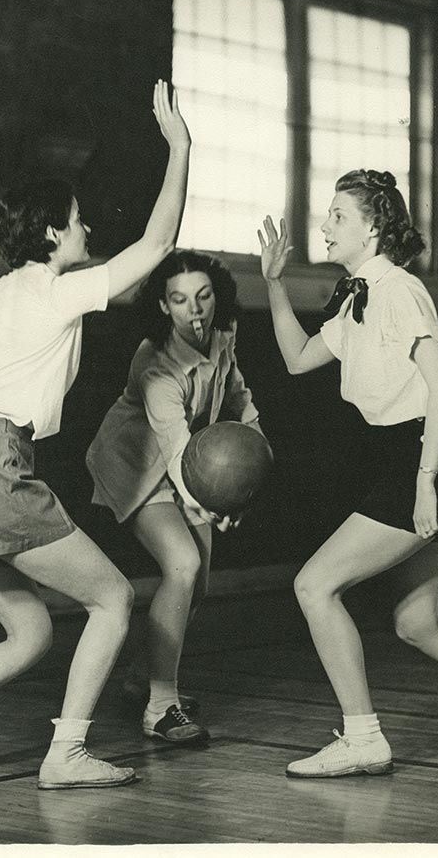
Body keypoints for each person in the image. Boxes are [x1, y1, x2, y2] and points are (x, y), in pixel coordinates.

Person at [0, 80, 191, 789]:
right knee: (113, 598)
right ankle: (65, 753)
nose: (88, 232)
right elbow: (157, 243)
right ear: (50, 234)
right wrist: (181, 148)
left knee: (30, 631)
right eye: (77, 223)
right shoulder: (52, 289)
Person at [257, 169, 438, 778]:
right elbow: (297, 361)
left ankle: (363, 736)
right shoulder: (355, 296)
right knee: (417, 622)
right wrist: (273, 282)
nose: (324, 226)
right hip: (407, 457)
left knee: (313, 585)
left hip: (422, 456)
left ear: (373, 229)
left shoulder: (398, 290)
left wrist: (425, 479)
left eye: (338, 217)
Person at [86, 250, 262, 745]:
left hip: (187, 462)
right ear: (164, 306)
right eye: (180, 300)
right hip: (137, 465)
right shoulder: (155, 362)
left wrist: (256, 447)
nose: (195, 310)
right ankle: (162, 707)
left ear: (216, 297)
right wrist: (207, 501)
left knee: (197, 583)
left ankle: (142, 678)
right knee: (181, 565)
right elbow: (173, 443)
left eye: (203, 296)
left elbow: (237, 396)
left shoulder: (223, 335)